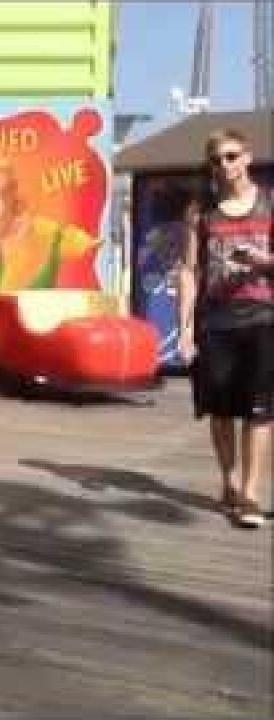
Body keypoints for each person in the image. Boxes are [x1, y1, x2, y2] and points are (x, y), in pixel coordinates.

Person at [177, 128, 272, 529]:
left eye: (231, 156)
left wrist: (262, 260)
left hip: (264, 317)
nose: (224, 166)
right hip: (215, 320)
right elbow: (188, 270)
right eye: (216, 159)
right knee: (219, 409)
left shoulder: (270, 203)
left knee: (262, 409)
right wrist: (183, 329)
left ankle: (251, 494)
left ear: (247, 157)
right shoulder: (201, 211)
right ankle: (229, 482)